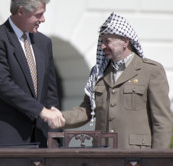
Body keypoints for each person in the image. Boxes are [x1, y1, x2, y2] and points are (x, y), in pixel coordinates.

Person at [51, 12, 173, 149]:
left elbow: (162, 120)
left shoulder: (150, 71)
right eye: (102, 41)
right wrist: (59, 117)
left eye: (107, 41)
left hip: (137, 157)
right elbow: (86, 110)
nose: (102, 46)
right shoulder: (98, 73)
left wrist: (156, 161)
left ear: (125, 42)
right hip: (103, 155)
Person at [0, 0, 65, 148]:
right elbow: (3, 85)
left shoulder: (43, 42)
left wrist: (53, 127)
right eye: (38, 15)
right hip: (7, 139)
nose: (43, 19)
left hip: (40, 138)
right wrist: (41, 110)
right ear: (21, 11)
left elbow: (50, 90)